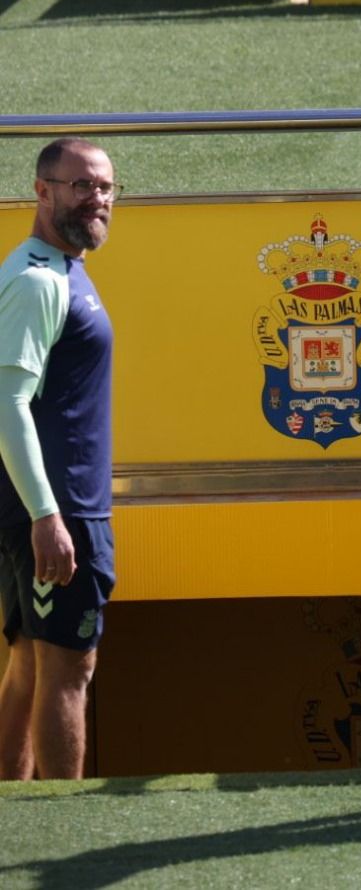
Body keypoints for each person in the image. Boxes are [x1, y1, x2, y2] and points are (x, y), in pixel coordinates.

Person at [0, 138, 119, 780]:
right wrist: (48, 517)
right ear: (42, 191)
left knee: (29, 665)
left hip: (55, 507)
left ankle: (15, 814)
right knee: (70, 667)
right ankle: (60, 817)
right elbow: (7, 404)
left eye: (105, 187)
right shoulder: (36, 280)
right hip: (59, 511)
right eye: (81, 185)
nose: (96, 198)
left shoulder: (64, 268)